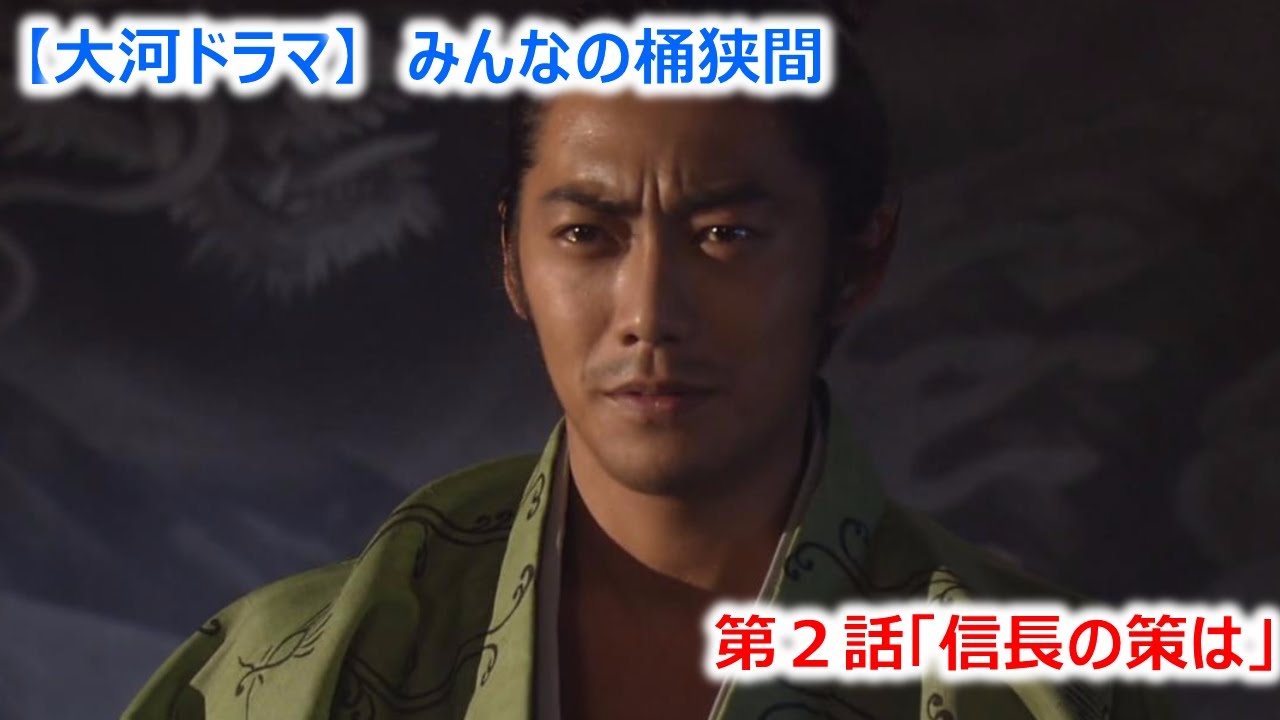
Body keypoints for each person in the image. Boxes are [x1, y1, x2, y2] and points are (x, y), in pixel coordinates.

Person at [123, 4, 1176, 719]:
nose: (648, 313)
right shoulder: (283, 673)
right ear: (511, 258)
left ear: (858, 258)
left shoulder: (1044, 689)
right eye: (587, 234)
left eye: (725, 235)